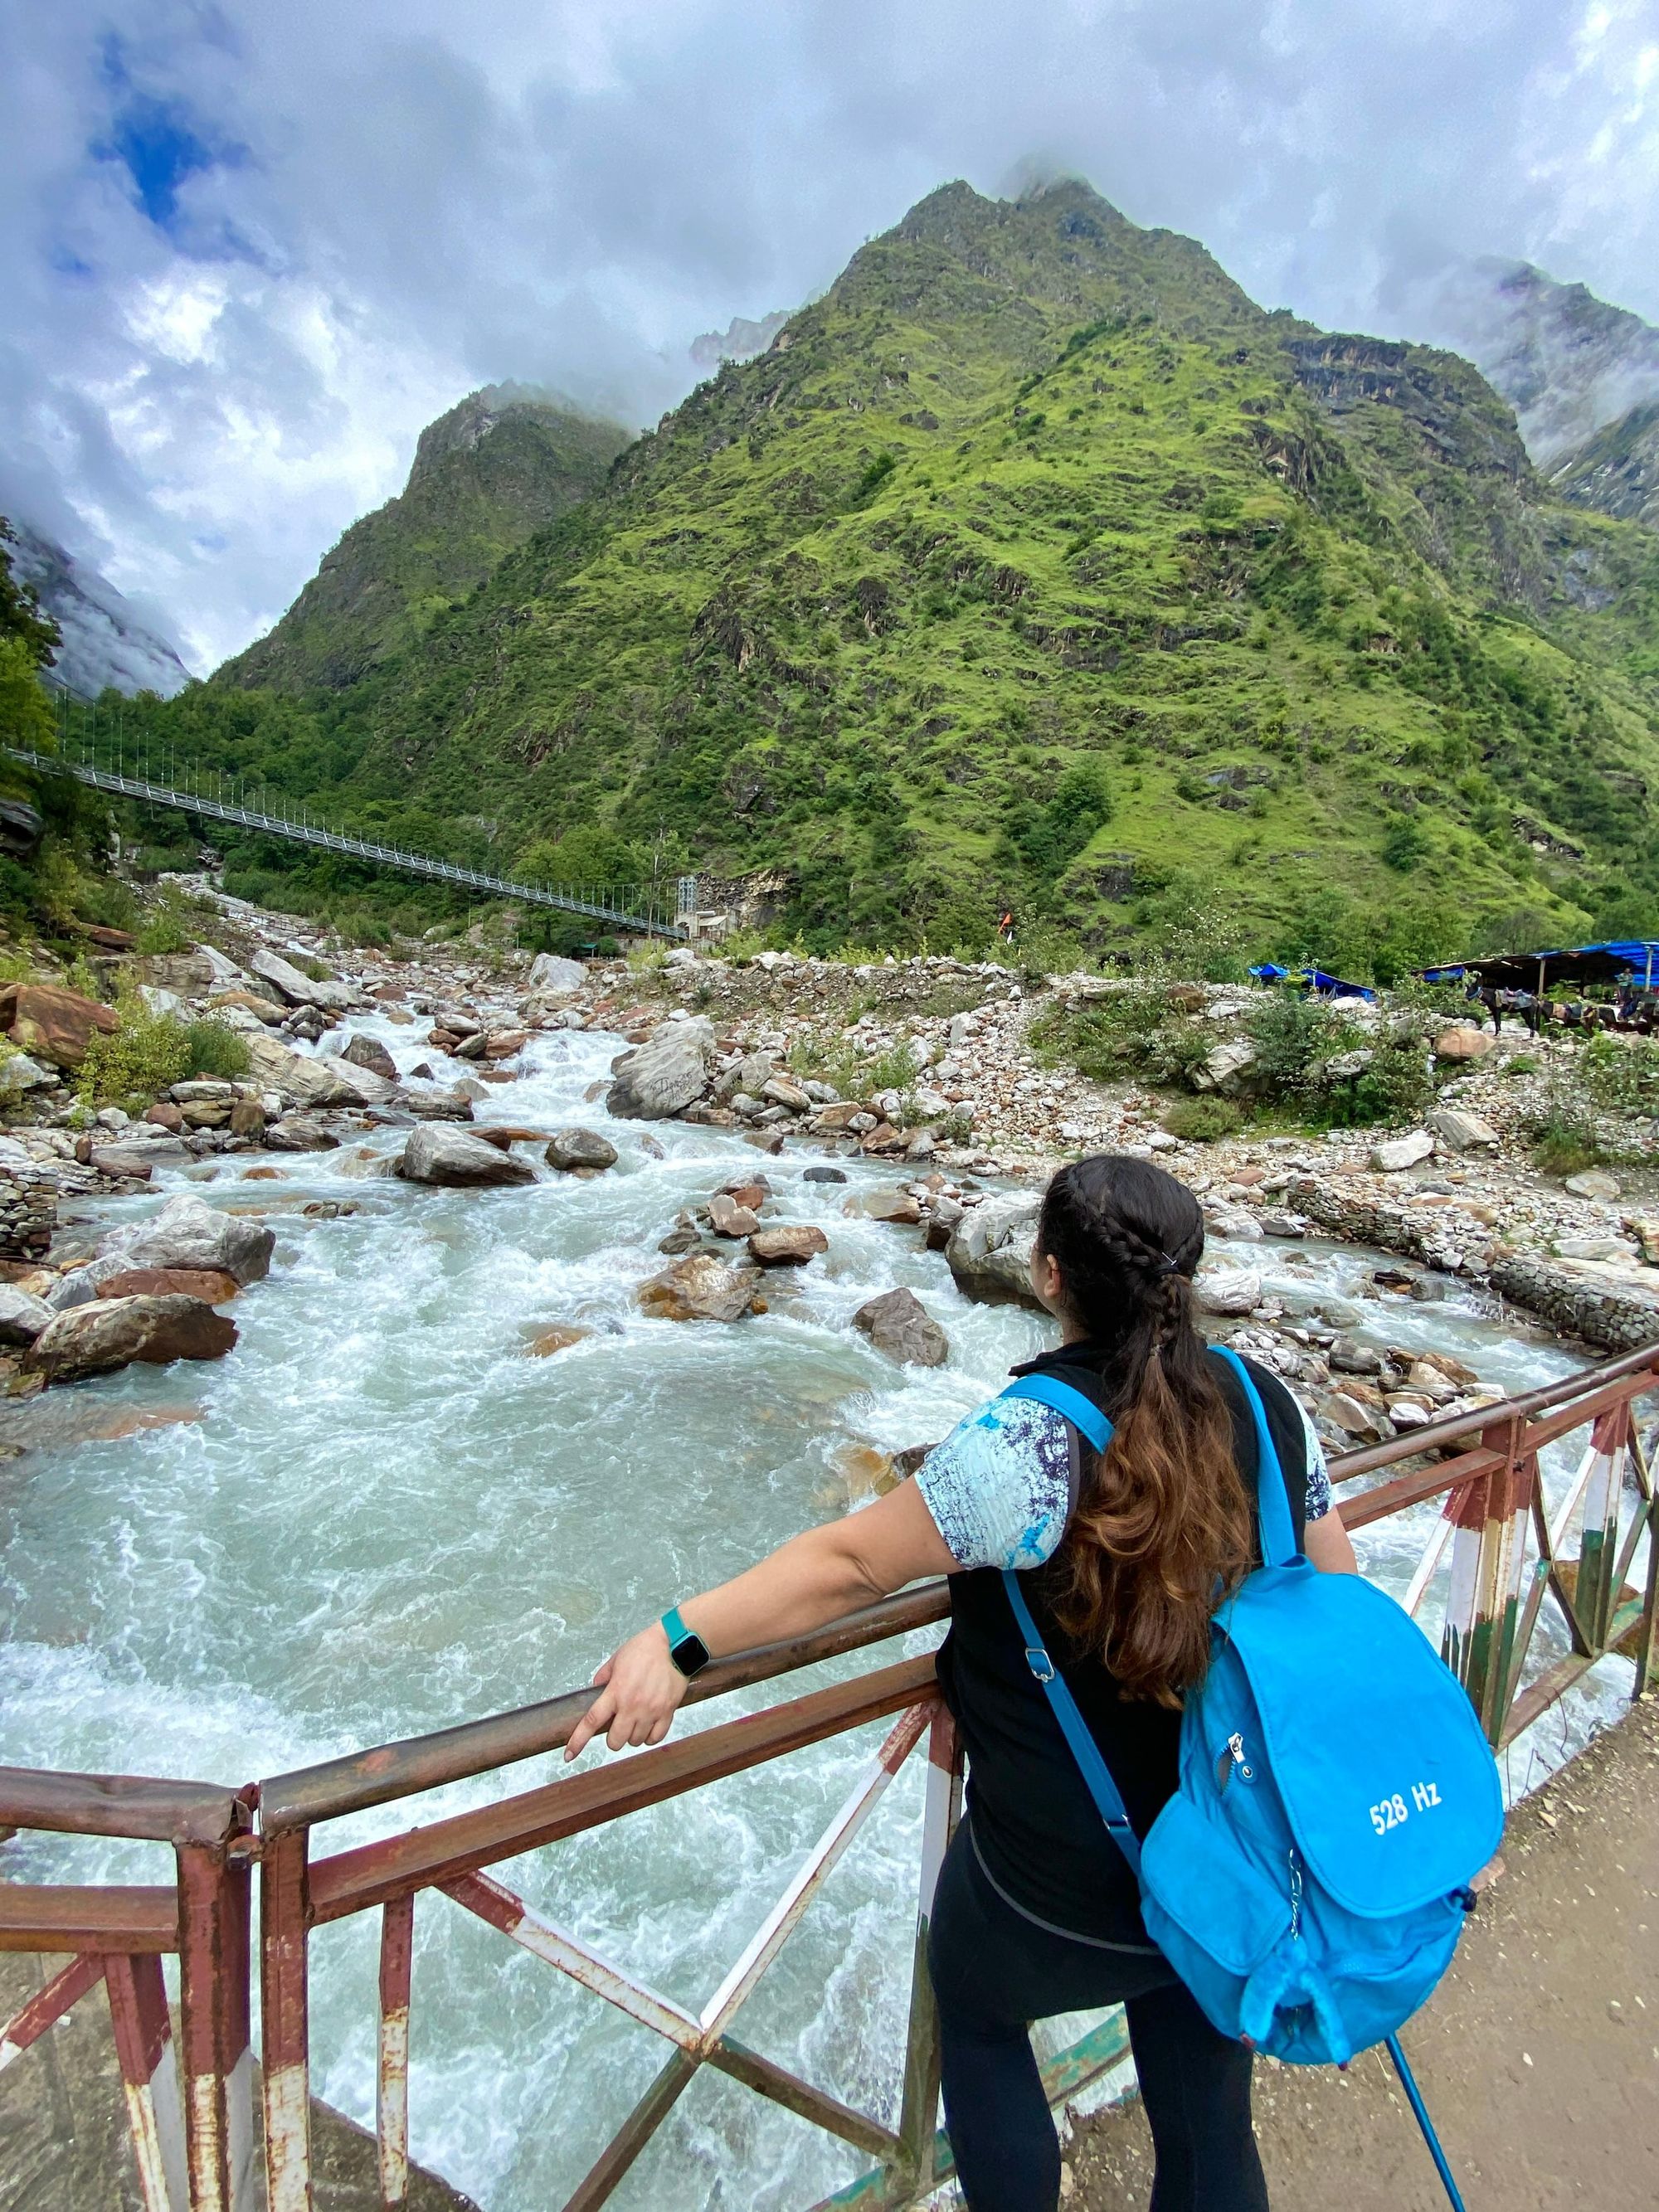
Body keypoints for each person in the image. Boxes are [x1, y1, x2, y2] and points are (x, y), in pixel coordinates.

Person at [567, 1155, 1359, 2210]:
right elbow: (1331, 1590)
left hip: (1065, 1884)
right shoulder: (1267, 1406)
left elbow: (852, 1566)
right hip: (1233, 1843)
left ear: (1046, 1276)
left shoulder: (1032, 1440)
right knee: (1207, 2107)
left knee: (981, 2020)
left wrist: (676, 1639)